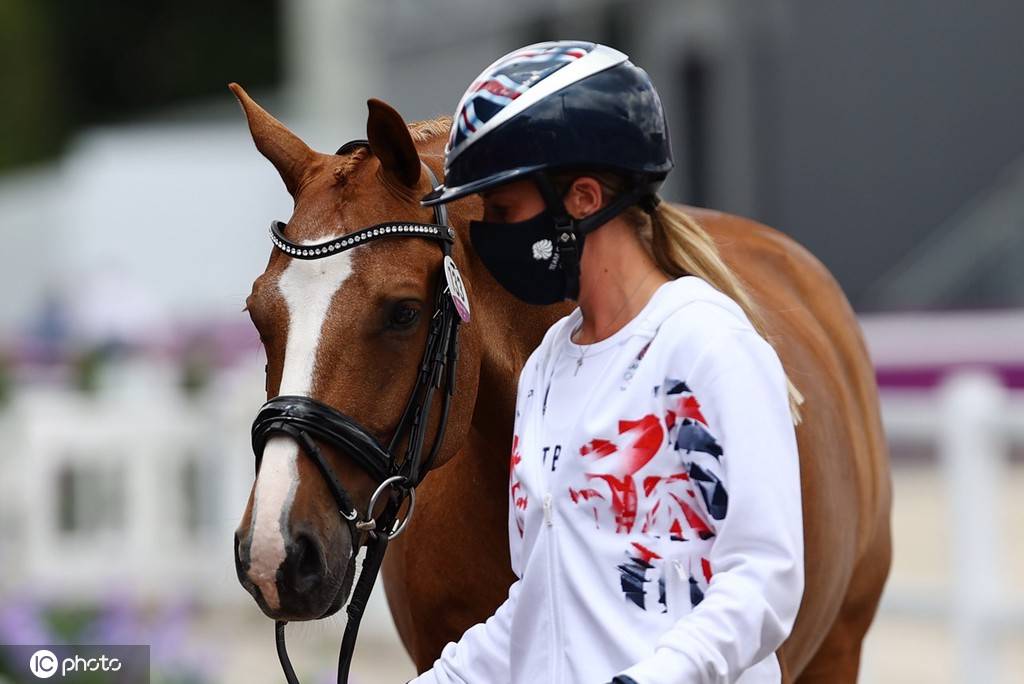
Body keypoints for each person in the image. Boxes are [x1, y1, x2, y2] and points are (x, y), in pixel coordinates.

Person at [414, 40, 805, 684]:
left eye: (504, 211)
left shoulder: (706, 345)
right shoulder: (545, 367)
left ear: (585, 198)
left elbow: (766, 578)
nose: (488, 235)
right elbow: (547, 600)